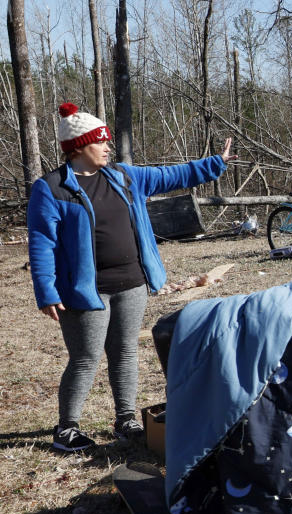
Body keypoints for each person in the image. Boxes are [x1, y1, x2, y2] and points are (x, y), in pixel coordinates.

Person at [28, 102, 238, 452]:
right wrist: (46, 291)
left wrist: (214, 163)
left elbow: (172, 175)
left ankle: (126, 420)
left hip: (132, 284)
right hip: (85, 292)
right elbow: (41, 244)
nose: (108, 146)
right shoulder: (51, 188)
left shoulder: (123, 176)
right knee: (86, 357)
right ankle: (66, 429)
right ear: (80, 146)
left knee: (125, 352)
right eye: (102, 141)